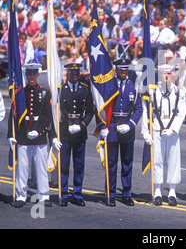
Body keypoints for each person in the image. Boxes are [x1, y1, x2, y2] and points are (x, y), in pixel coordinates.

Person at [96, 58, 142, 206]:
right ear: (116, 70)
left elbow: (138, 108)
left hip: (127, 129)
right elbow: (100, 107)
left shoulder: (132, 86)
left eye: (125, 70)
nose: (124, 72)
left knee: (127, 163)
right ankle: (110, 194)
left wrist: (130, 124)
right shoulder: (109, 86)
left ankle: (126, 194)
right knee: (111, 163)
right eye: (121, 70)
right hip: (113, 128)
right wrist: (103, 126)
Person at [7, 63, 52, 208]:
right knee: (22, 168)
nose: (31, 77)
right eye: (29, 74)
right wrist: (10, 133)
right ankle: (21, 196)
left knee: (41, 168)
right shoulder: (20, 93)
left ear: (38, 75)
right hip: (23, 134)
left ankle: (44, 195)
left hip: (38, 134)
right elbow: (13, 115)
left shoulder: (45, 93)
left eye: (34, 74)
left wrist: (39, 131)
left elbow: (47, 116)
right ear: (26, 75)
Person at [141, 64, 186, 206]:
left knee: (173, 160)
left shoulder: (179, 92)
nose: (166, 76)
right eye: (163, 73)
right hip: (157, 129)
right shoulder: (152, 91)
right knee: (157, 160)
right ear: (159, 75)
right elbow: (145, 112)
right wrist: (145, 132)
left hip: (172, 130)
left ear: (172, 74)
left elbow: (181, 112)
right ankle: (158, 191)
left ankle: (172, 192)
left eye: (169, 73)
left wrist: (173, 129)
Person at [54, 63, 94, 206]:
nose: (75, 75)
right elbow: (57, 112)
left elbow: (90, 111)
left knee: (79, 165)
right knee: (64, 166)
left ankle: (77, 194)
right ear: (67, 74)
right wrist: (62, 129)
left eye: (77, 73)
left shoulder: (85, 89)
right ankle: (63, 194)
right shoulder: (61, 90)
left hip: (79, 133)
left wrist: (82, 125)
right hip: (65, 132)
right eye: (72, 73)